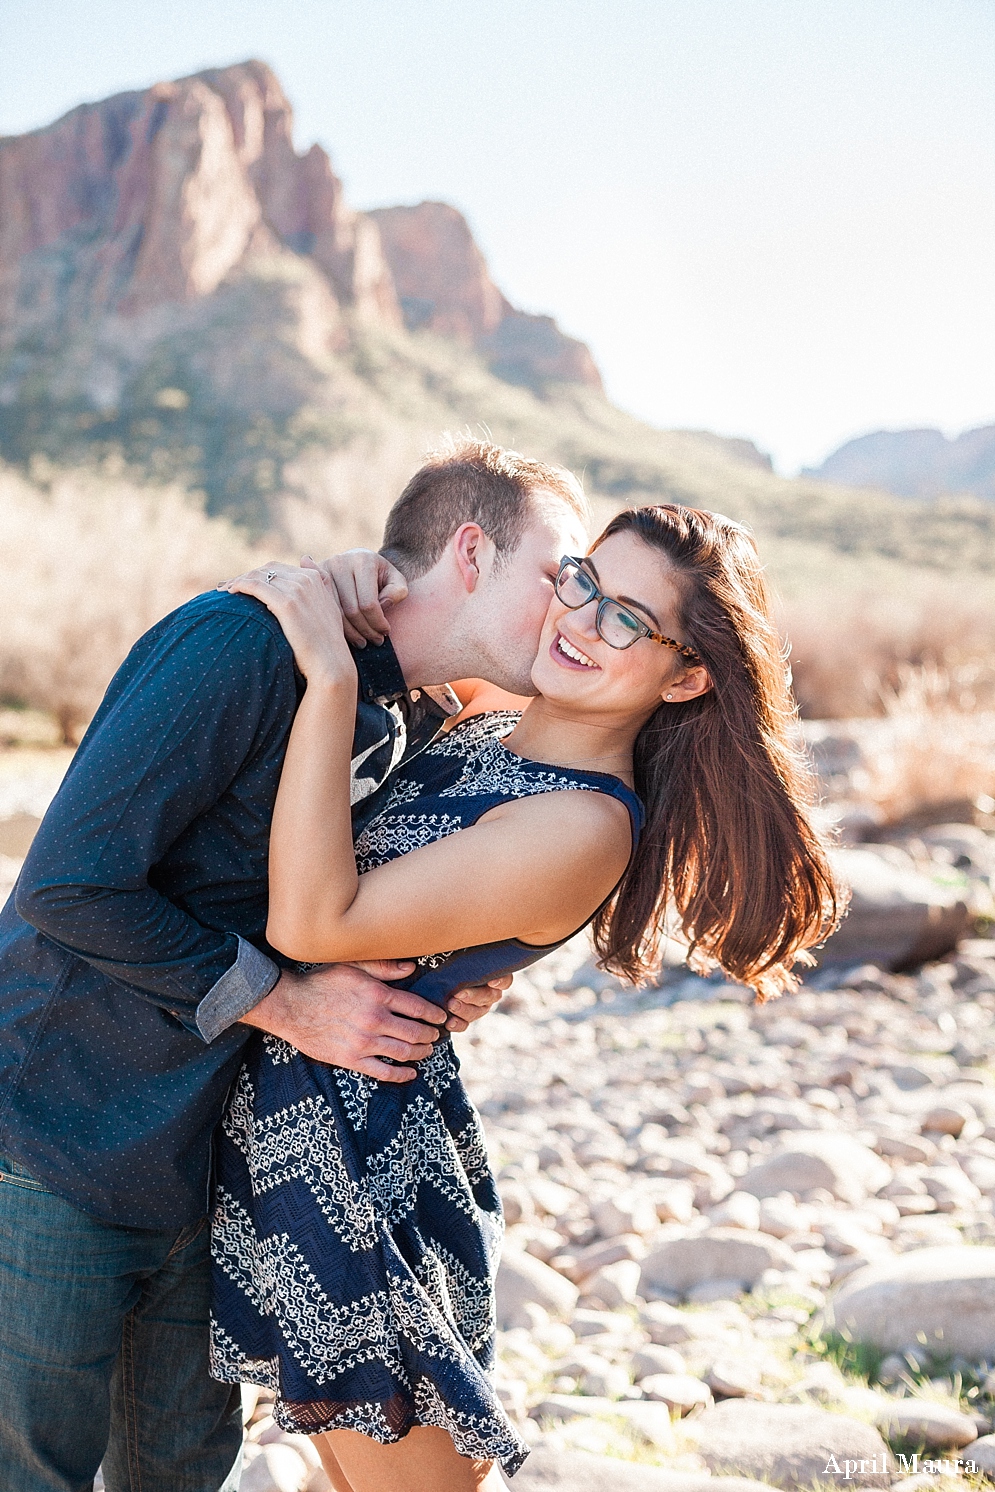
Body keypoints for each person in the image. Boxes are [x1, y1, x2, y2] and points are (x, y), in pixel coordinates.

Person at [213, 502, 842, 1491]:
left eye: (628, 618)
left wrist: (328, 674)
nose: (581, 619)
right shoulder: (487, 713)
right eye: (584, 579)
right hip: (285, 1126)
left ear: (687, 675)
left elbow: (312, 924)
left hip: (361, 1172)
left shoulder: (585, 823)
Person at [0, 439, 589, 1492]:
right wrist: (287, 1002)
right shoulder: (245, 642)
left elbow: (368, 894)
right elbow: (67, 886)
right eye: (558, 575)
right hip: (56, 1135)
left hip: (205, 1169)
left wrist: (454, 974)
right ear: (468, 551)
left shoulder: (406, 711)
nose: (568, 610)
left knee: (181, 1473)